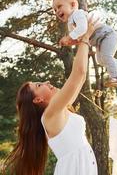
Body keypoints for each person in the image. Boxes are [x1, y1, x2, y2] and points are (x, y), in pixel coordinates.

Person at [3, 24, 97, 174]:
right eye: (39, 85)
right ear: (37, 99)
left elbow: (82, 77)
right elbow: (78, 73)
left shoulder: (61, 109)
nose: (47, 82)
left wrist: (81, 40)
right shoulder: (50, 114)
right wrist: (85, 38)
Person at [52, 0, 117, 87]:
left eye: (59, 6)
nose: (57, 11)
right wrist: (70, 42)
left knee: (106, 56)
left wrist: (68, 37)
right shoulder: (70, 24)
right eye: (55, 10)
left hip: (107, 35)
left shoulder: (77, 14)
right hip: (99, 41)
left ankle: (116, 77)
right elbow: (80, 38)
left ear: (73, 5)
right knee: (100, 60)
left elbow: (83, 28)